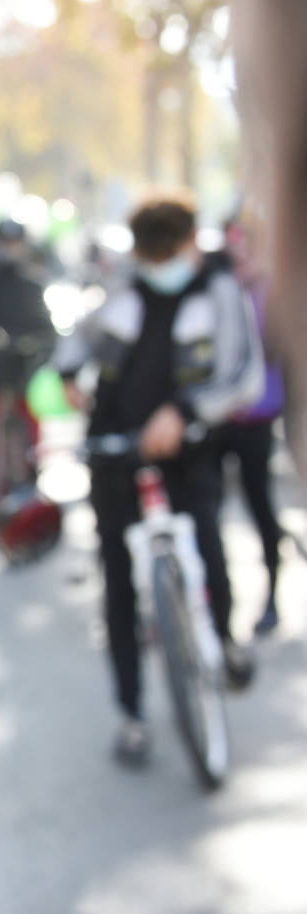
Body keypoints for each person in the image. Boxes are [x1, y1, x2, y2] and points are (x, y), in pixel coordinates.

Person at [54, 194, 263, 768]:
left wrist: (188, 411)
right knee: (118, 583)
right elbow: (76, 340)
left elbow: (244, 376)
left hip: (190, 450)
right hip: (115, 449)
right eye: (149, 255)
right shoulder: (121, 287)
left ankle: (221, 637)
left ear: (191, 243)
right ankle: (132, 714)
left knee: (209, 551)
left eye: (167, 253)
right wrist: (69, 372)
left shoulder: (222, 293)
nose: (158, 265)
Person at [216, 211, 287, 635]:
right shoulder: (216, 286)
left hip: (258, 417)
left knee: (261, 506)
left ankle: (273, 594)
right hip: (216, 417)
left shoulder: (276, 290)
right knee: (207, 511)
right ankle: (214, 601)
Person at [0, 219, 56, 501]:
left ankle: (30, 471)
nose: (10, 249)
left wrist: (33, 348)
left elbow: (46, 330)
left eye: (14, 243)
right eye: (5, 243)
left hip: (24, 372)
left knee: (32, 427)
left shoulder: (32, 285)